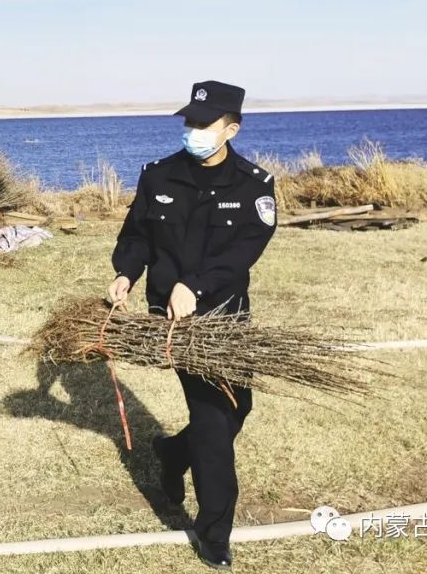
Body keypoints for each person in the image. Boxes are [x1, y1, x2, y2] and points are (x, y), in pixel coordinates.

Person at [107, 81, 277, 570]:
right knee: (212, 417)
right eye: (190, 122)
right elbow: (137, 234)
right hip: (175, 321)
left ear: (231, 129)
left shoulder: (253, 184)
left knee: (236, 407)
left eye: (204, 124)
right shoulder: (159, 176)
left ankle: (171, 453)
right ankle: (214, 531)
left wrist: (196, 285)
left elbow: (245, 250)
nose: (194, 131)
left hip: (225, 314)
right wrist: (126, 272)